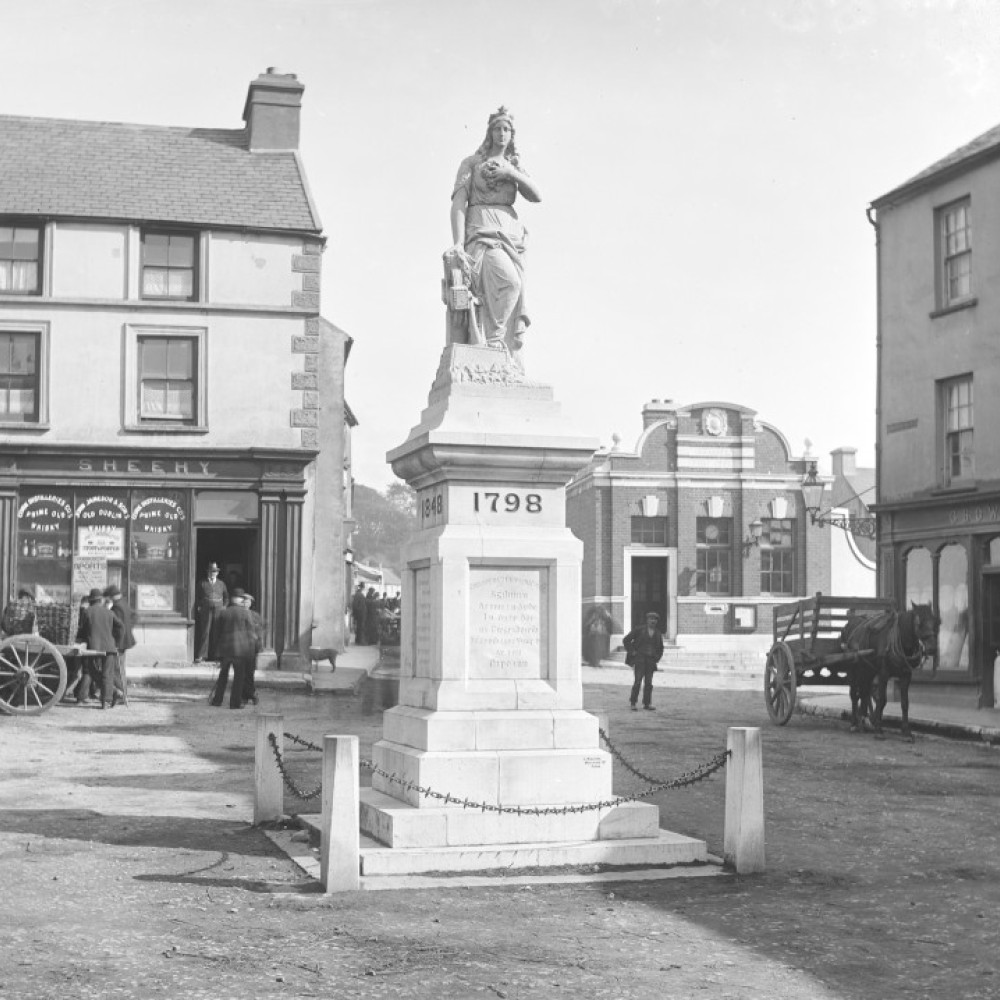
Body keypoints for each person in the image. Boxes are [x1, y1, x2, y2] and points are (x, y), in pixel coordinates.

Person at [448, 106, 541, 368]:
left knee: (514, 286)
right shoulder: (471, 164)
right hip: (481, 230)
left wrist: (511, 174)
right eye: (497, 128)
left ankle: (501, 351)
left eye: (507, 129)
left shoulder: (514, 166)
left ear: (512, 135)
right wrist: (457, 242)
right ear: (490, 133)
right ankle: (495, 343)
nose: (502, 133)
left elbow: (536, 195)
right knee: (509, 283)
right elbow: (458, 204)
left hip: (510, 235)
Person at [76, 588, 124, 709]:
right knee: (107, 674)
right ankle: (107, 700)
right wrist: (116, 641)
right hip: (110, 647)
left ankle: (112, 693)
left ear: (91, 600)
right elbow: (121, 627)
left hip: (94, 648)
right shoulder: (109, 612)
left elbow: (82, 630)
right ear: (100, 600)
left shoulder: (87, 612)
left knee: (91, 671)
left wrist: (79, 639)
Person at [210, 588, 257, 709]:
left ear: (231, 599)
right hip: (240, 651)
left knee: (222, 676)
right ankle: (235, 703)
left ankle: (217, 700)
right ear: (241, 600)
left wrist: (217, 651)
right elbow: (251, 633)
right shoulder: (246, 613)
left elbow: (216, 633)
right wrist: (250, 651)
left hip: (225, 650)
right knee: (239, 678)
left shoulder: (223, 612)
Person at [624, 612, 665, 712]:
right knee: (637, 682)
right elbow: (626, 640)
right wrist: (632, 652)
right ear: (647, 620)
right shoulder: (639, 630)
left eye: (655, 619)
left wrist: (657, 658)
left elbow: (660, 648)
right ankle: (633, 703)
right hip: (640, 659)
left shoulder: (658, 633)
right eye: (651, 619)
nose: (653, 621)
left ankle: (647, 703)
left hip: (650, 661)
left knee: (649, 683)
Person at [104, 585, 135, 705]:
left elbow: (117, 626)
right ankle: (123, 694)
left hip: (120, 643)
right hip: (125, 641)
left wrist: (117, 641)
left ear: (112, 596)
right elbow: (134, 616)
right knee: (120, 668)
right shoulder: (124, 603)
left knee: (118, 669)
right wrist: (129, 629)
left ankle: (122, 695)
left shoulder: (117, 607)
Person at [193, 561, 228, 662]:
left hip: (218, 610)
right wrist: (199, 605)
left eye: (215, 571)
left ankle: (217, 656)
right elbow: (197, 596)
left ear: (217, 573)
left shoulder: (221, 584)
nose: (213, 573)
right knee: (205, 631)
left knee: (217, 632)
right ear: (208, 572)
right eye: (211, 571)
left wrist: (224, 607)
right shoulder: (202, 583)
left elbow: (226, 597)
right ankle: (202, 655)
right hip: (206, 610)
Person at [241, 592, 264, 706]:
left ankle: (248, 695)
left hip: (251, 648)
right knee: (242, 673)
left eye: (247, 601)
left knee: (249, 672)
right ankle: (250, 694)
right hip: (240, 647)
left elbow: (259, 633)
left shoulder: (255, 615)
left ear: (251, 603)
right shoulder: (238, 614)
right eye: (243, 601)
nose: (245, 603)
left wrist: (259, 646)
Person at [350, 582, 368, 646]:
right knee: (361, 627)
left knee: (359, 627)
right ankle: (360, 641)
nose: (363, 588)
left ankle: (358, 640)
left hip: (360, 613)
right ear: (361, 587)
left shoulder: (359, 594)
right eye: (363, 587)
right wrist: (359, 610)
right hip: (360, 614)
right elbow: (355, 605)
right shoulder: (358, 594)